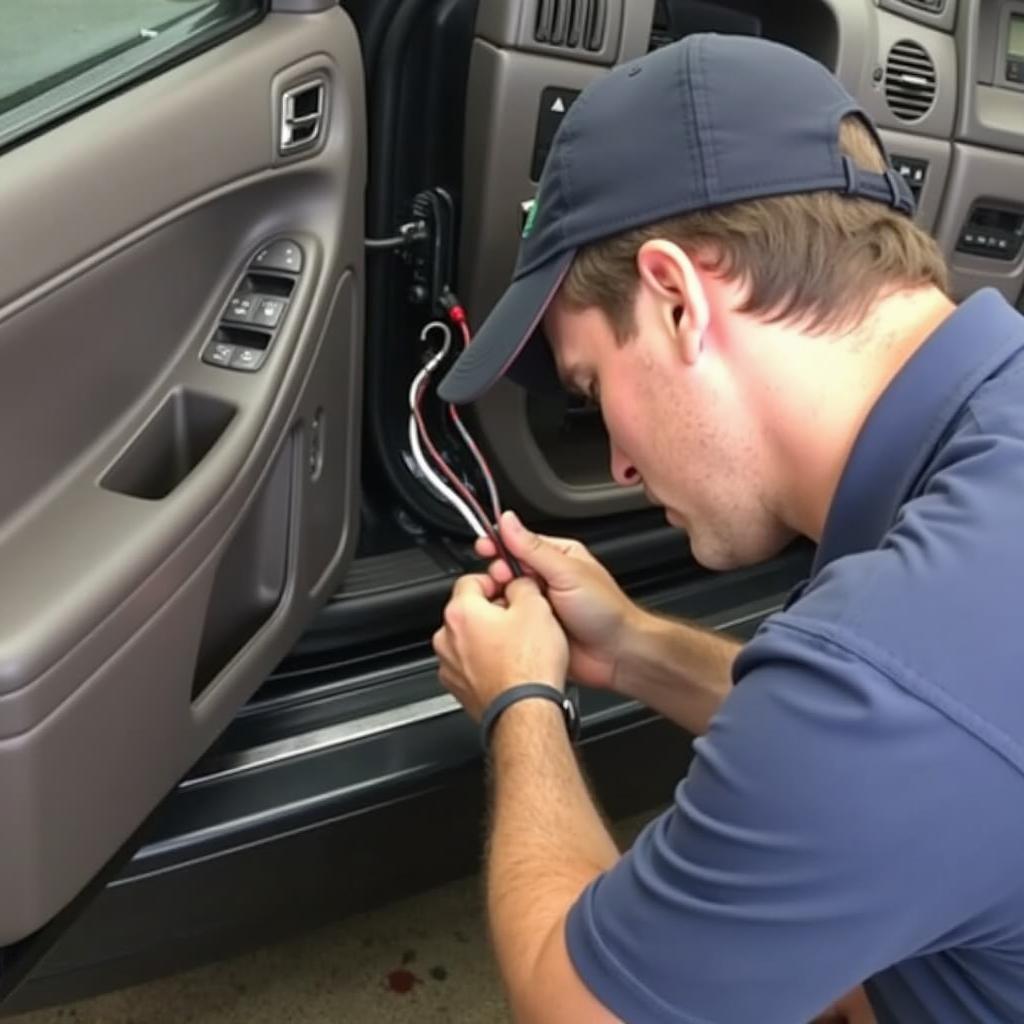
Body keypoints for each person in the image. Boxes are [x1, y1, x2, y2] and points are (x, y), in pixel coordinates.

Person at [431, 32, 1024, 1024]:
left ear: (675, 300)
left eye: (589, 388)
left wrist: (519, 700)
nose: (617, 462)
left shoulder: (887, 664)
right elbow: (915, 743)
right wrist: (631, 648)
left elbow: (578, 1009)